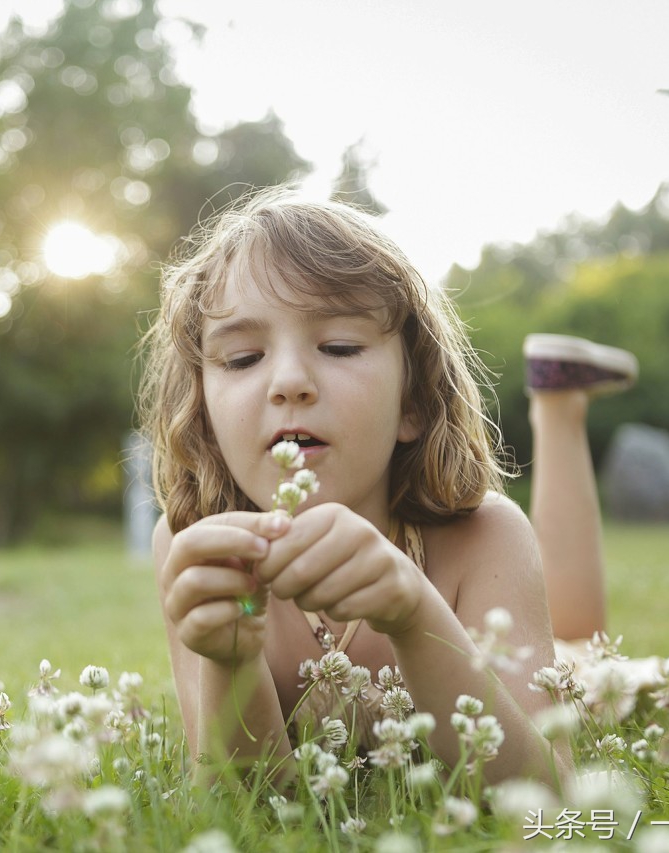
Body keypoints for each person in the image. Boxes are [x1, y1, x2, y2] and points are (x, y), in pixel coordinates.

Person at [138, 189, 639, 786]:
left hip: (563, 662)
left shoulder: (482, 537)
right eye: (243, 358)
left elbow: (540, 794)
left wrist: (413, 612)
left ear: (414, 404)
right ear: (205, 416)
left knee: (582, 645)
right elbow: (245, 807)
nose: (289, 381)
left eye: (340, 347)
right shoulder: (196, 547)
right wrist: (232, 660)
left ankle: (559, 405)